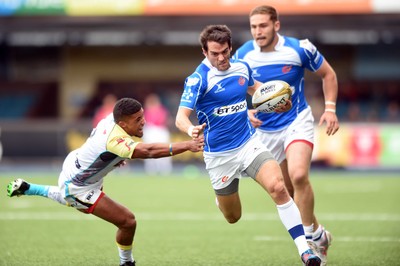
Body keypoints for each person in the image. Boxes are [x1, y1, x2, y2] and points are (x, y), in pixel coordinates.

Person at [175, 24, 321, 265]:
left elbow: (256, 91)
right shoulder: (197, 79)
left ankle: (305, 250)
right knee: (233, 216)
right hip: (220, 157)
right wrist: (191, 129)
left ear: (230, 47)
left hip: (249, 143)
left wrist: (277, 101)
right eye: (214, 53)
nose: (221, 58)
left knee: (278, 187)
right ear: (204, 52)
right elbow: (181, 116)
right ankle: (222, 199)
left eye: (225, 51)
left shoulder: (242, 68)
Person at [6, 97, 204, 266]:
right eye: (138, 119)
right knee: (127, 221)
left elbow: (108, 146)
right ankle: (126, 262)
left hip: (75, 166)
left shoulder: (113, 119)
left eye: (143, 116)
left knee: (73, 198)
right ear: (123, 125)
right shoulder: (114, 139)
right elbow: (148, 151)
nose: (143, 122)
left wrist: (112, 158)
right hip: (78, 186)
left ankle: (29, 188)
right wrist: (188, 145)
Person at [233, 5, 340, 265]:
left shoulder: (300, 48)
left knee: (299, 174)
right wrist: (245, 112)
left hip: (297, 120)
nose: (258, 32)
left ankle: (311, 241)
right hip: (265, 131)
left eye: (263, 26)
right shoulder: (243, 55)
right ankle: (318, 233)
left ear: (276, 25)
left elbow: (328, 74)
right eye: (253, 27)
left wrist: (330, 109)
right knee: (287, 193)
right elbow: (233, 88)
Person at [142, 93, 173, 174]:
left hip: (160, 130)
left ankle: (165, 168)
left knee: (164, 149)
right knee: (149, 151)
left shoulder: (162, 110)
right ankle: (151, 169)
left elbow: (165, 120)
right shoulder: (146, 112)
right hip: (150, 131)